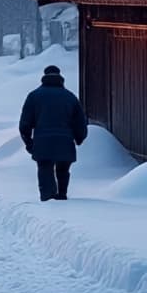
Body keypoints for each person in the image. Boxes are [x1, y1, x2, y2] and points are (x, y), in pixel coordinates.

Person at [19, 63, 88, 201]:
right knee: (63, 169)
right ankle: (62, 195)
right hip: (65, 141)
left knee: (45, 169)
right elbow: (80, 122)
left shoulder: (34, 96)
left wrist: (29, 142)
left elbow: (25, 123)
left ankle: (48, 198)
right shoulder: (70, 97)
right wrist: (79, 138)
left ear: (44, 77)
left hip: (42, 142)